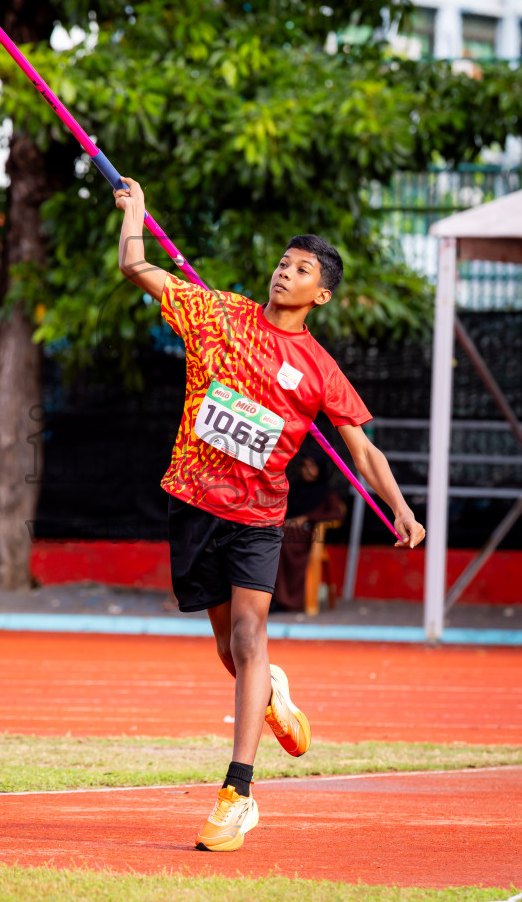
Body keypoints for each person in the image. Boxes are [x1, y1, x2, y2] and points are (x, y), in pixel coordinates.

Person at [114, 177, 425, 853]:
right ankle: (273, 694)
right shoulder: (218, 314)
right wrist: (134, 213)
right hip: (192, 502)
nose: (286, 272)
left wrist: (399, 507)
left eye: (302, 269)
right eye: (284, 262)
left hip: (258, 516)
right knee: (230, 652)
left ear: (321, 295)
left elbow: (362, 450)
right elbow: (135, 267)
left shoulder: (318, 368)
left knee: (250, 637)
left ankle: (238, 793)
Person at [273, 448, 346, 613]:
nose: (306, 470)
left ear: (320, 469)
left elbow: (336, 514)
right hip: (285, 529)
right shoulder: (295, 487)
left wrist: (307, 518)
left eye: (312, 466)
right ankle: (272, 598)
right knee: (268, 540)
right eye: (304, 466)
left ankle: (287, 600)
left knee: (285, 544)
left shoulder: (327, 493)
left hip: (309, 536)